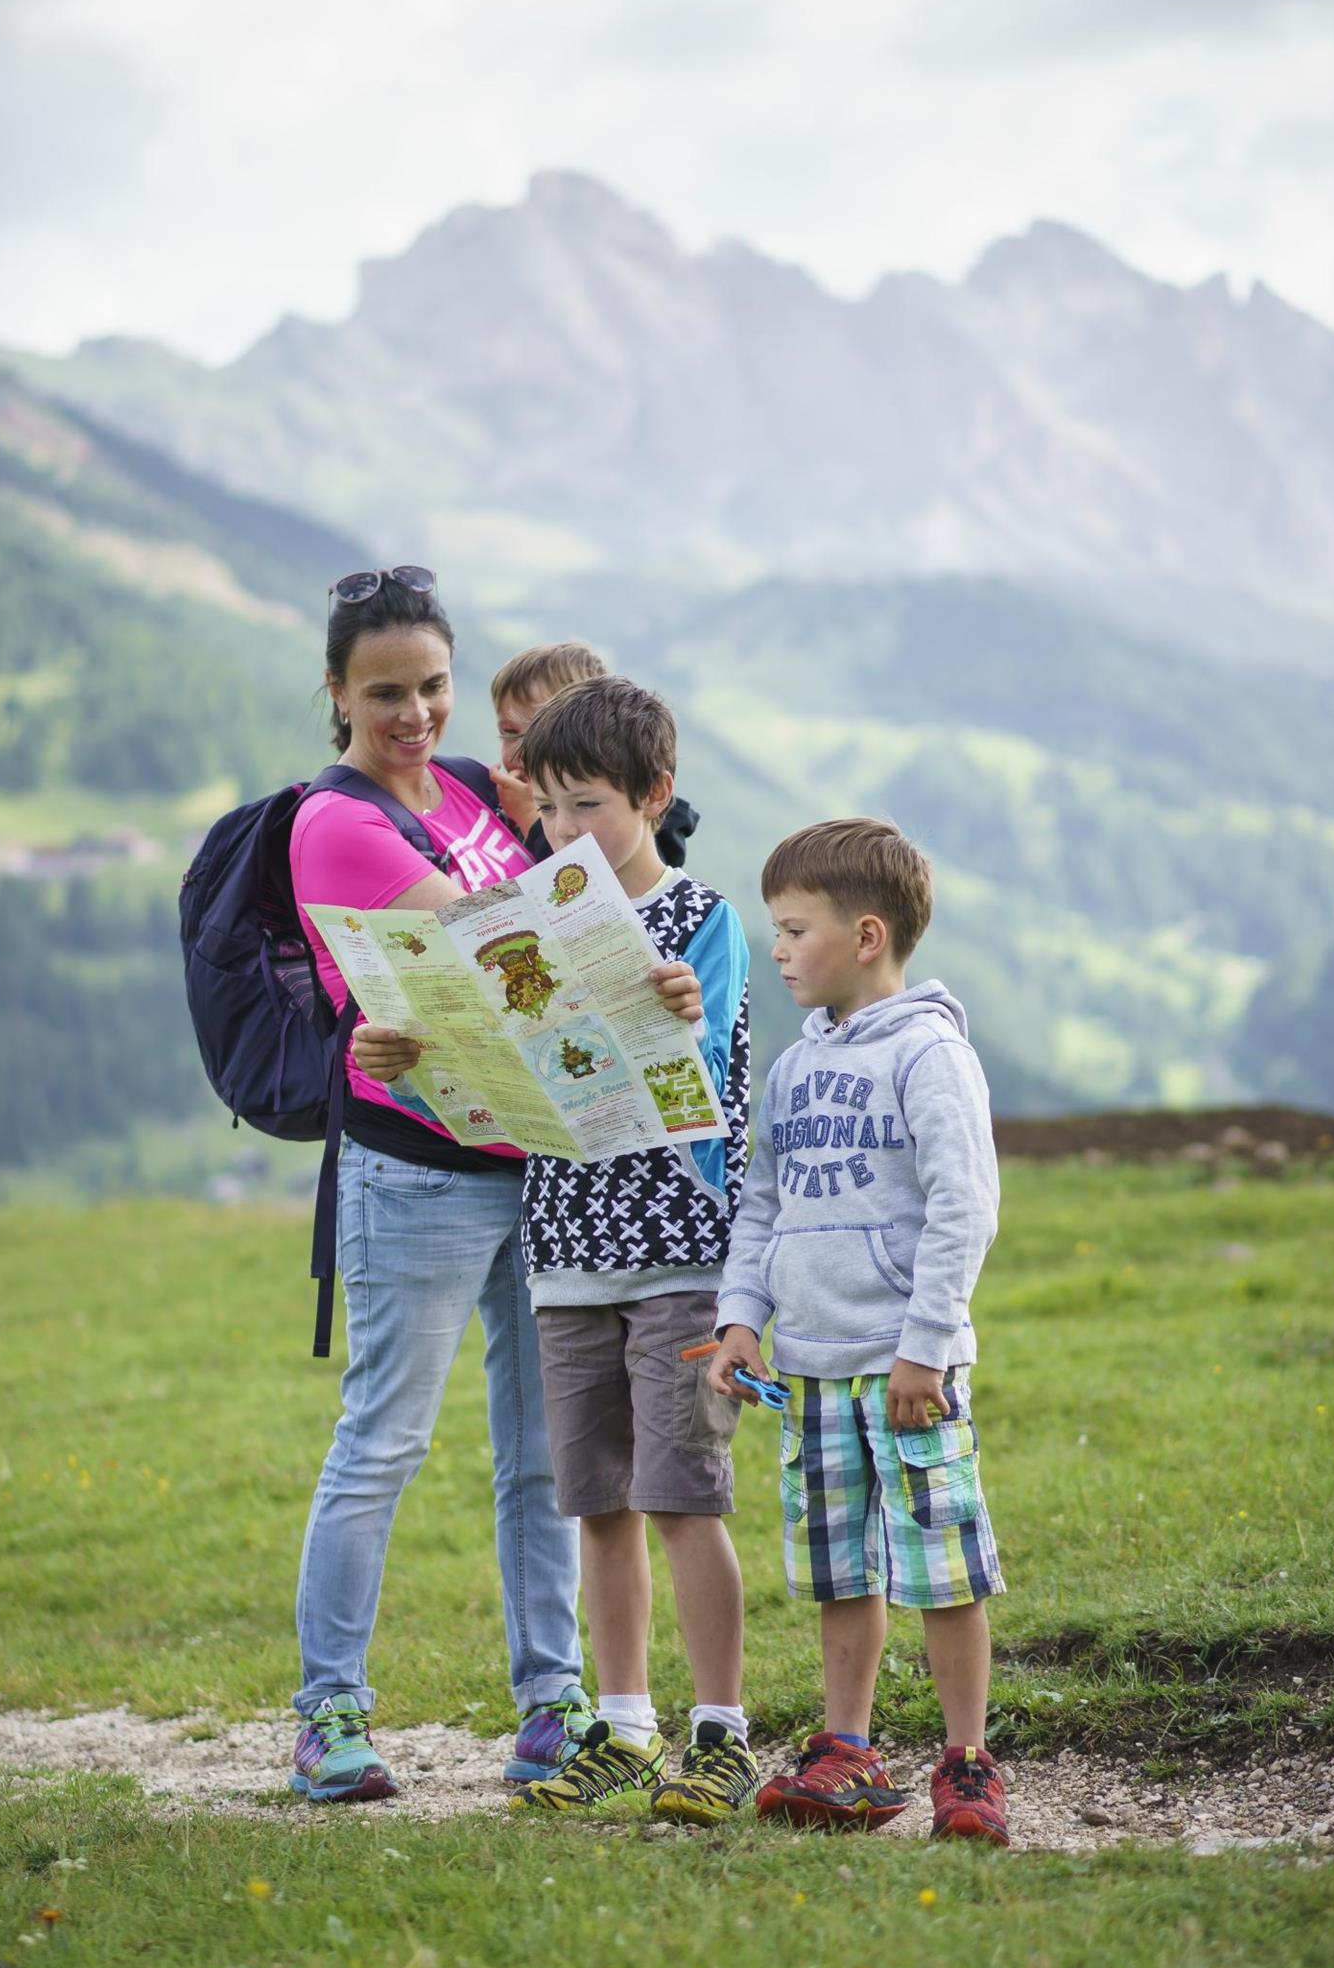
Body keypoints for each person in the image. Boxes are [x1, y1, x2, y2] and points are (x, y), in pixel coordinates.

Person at [282, 571, 627, 1801]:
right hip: (417, 1177)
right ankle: (330, 1716)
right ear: (337, 693)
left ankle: (552, 1704)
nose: (416, 713)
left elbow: (605, 858)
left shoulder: (483, 789)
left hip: (531, 1164)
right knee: (385, 1441)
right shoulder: (338, 823)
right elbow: (509, 954)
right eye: (385, 693)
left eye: (434, 686)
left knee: (546, 1454)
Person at [707, 817, 1012, 1846]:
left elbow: (963, 1204)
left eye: (795, 930)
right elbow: (761, 1201)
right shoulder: (794, 1070)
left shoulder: (930, 1054)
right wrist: (742, 1318)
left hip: (906, 1370)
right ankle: (851, 1753)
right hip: (815, 1369)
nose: (779, 949)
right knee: (842, 1568)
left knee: (942, 1565)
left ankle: (966, 1763)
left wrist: (925, 1344)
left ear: (868, 935)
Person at [505, 676, 758, 1825]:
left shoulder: (703, 922)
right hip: (564, 1253)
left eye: (590, 805)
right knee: (599, 1502)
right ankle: (623, 1727)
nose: (566, 833)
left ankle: (721, 1735)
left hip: (681, 1253)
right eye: (550, 809)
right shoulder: (524, 924)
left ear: (655, 796)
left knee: (683, 1498)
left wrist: (677, 1019)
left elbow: (712, 1092)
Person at [489, 640, 700, 869]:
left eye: (543, 733)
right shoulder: (497, 802)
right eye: (509, 733)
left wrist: (530, 817)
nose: (526, 752)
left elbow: (591, 885)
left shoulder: (637, 824)